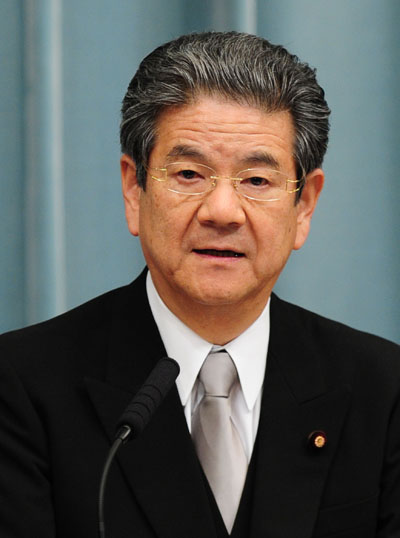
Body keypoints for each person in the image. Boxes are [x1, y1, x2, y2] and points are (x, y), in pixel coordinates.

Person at [0, 31, 399, 538]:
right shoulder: (20, 388)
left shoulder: (383, 392)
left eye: (257, 181)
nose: (222, 212)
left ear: (304, 206)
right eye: (189, 173)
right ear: (133, 188)